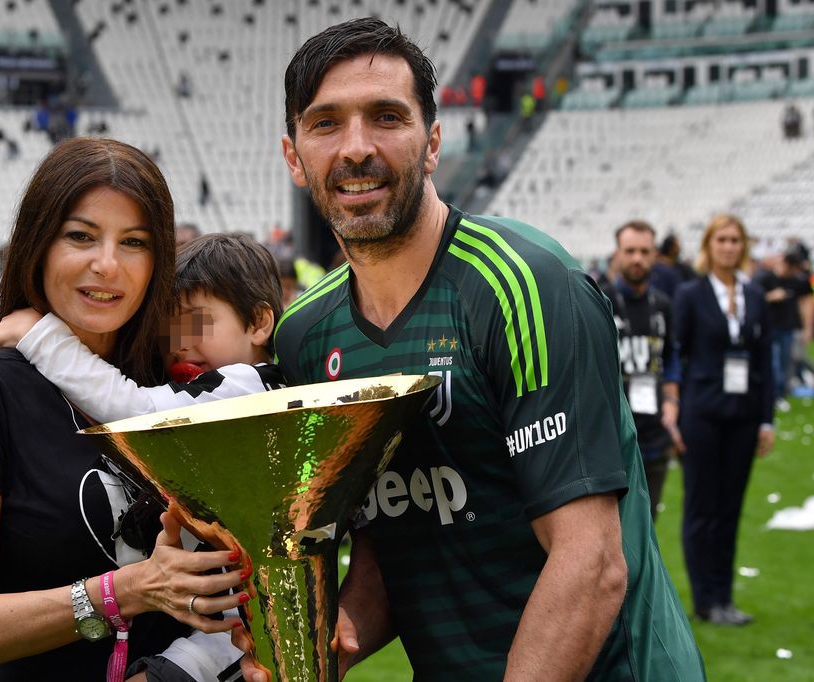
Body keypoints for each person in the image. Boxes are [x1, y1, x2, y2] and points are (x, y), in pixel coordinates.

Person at [256, 17, 705, 680]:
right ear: (294, 157)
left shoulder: (523, 285)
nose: (356, 148)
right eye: (325, 123)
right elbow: (390, 538)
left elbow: (591, 564)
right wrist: (343, 631)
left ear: (432, 143)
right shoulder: (304, 338)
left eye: (386, 116)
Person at [0, 138, 248, 681]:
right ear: (37, 245)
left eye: (134, 242)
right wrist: (129, 591)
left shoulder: (176, 390)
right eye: (81, 236)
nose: (107, 265)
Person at [0, 232, 286, 421]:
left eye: (195, 320)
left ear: (258, 324)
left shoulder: (242, 384)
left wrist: (43, 338)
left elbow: (135, 410)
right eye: (168, 328)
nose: (178, 342)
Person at [674, 214, 775, 627]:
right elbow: (675, 356)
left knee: (731, 508)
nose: (729, 247)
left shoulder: (754, 296)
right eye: (722, 240)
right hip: (701, 413)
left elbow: (765, 363)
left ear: (743, 246)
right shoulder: (691, 294)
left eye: (736, 240)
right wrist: (674, 411)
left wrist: (766, 420)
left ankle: (724, 596)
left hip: (744, 416)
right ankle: (705, 599)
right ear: (709, 246)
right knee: (703, 506)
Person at [602, 221, 683, 521]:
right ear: (618, 253)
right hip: (614, 437)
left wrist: (673, 402)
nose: (637, 258)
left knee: (648, 527)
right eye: (630, 251)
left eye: (644, 251)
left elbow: (671, 355)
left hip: (656, 436)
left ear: (654, 255)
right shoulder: (601, 301)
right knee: (615, 532)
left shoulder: (663, 305)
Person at [753, 246, 813, 402]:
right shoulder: (765, 277)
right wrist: (770, 297)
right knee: (774, 362)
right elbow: (752, 300)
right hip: (770, 327)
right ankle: (775, 394)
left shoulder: (797, 281)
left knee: (787, 362)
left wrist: (807, 327)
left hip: (788, 327)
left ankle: (781, 392)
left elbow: (806, 302)